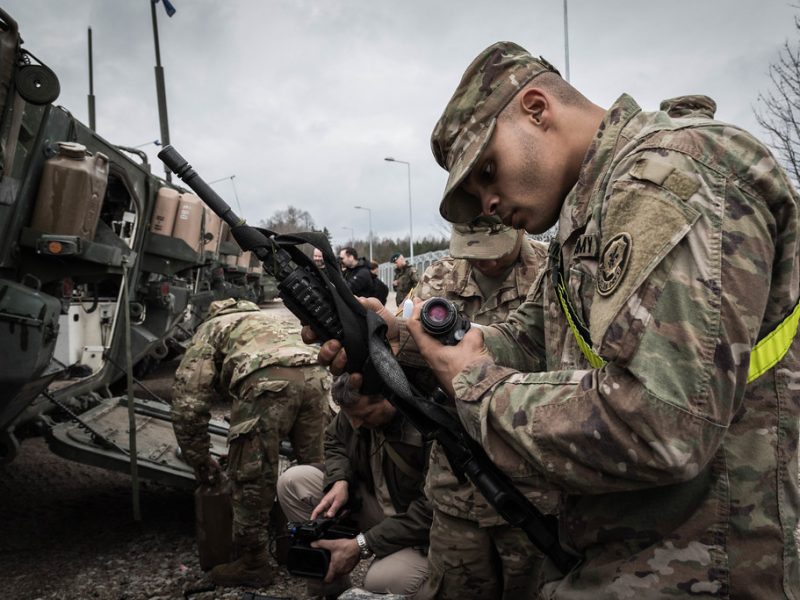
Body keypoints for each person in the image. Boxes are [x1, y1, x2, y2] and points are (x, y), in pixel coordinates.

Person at [400, 41, 800, 598]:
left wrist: (480, 389)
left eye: (487, 171)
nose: (487, 204)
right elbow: (526, 340)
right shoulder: (586, 218)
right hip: (628, 557)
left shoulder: (667, 176)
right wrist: (404, 338)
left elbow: (663, 426)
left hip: (705, 569)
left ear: (536, 109)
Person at [412, 216, 556, 599]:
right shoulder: (438, 279)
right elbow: (416, 367)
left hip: (534, 491)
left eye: (495, 250)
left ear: (520, 227)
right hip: (458, 484)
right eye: (473, 249)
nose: (486, 261)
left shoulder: (552, 272)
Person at [172, 298, 331, 588]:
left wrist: (200, 461)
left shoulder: (211, 328)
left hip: (266, 381)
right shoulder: (267, 319)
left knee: (251, 475)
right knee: (316, 470)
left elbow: (188, 404)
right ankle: (317, 552)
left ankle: (253, 563)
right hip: (317, 375)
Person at [277, 373, 431, 598]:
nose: (357, 424)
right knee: (292, 482)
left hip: (415, 526)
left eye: (365, 415)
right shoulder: (356, 411)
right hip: (373, 502)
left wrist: (362, 544)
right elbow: (334, 440)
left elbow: (430, 512)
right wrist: (340, 480)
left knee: (382, 583)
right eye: (352, 417)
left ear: (389, 398)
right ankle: (331, 587)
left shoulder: (427, 425)